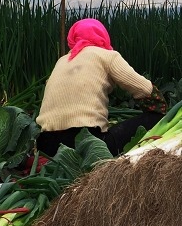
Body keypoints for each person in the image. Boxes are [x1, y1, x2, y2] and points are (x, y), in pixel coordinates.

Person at [35, 18, 167, 158]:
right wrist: (160, 109)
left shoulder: (62, 61)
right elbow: (144, 89)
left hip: (46, 147)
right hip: (87, 144)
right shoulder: (107, 56)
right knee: (156, 119)